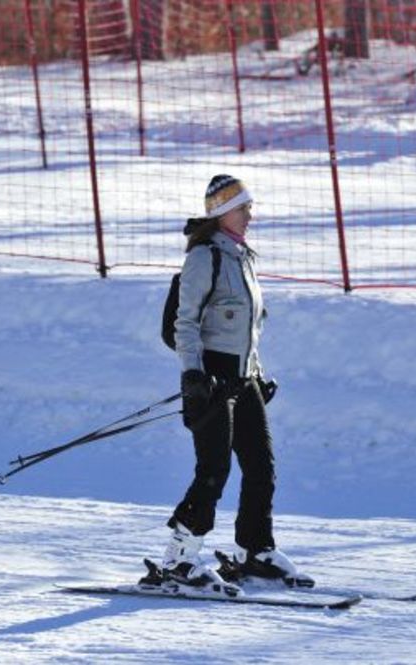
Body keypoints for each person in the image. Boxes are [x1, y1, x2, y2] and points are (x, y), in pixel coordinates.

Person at [161, 174, 312, 592]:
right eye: (244, 208)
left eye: (249, 207)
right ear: (222, 212)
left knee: (261, 466)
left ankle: (254, 551)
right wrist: (193, 374)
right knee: (214, 468)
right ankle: (179, 559)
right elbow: (185, 323)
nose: (250, 215)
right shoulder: (203, 257)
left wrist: (257, 375)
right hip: (210, 376)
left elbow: (249, 327)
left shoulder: (243, 258)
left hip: (242, 377)